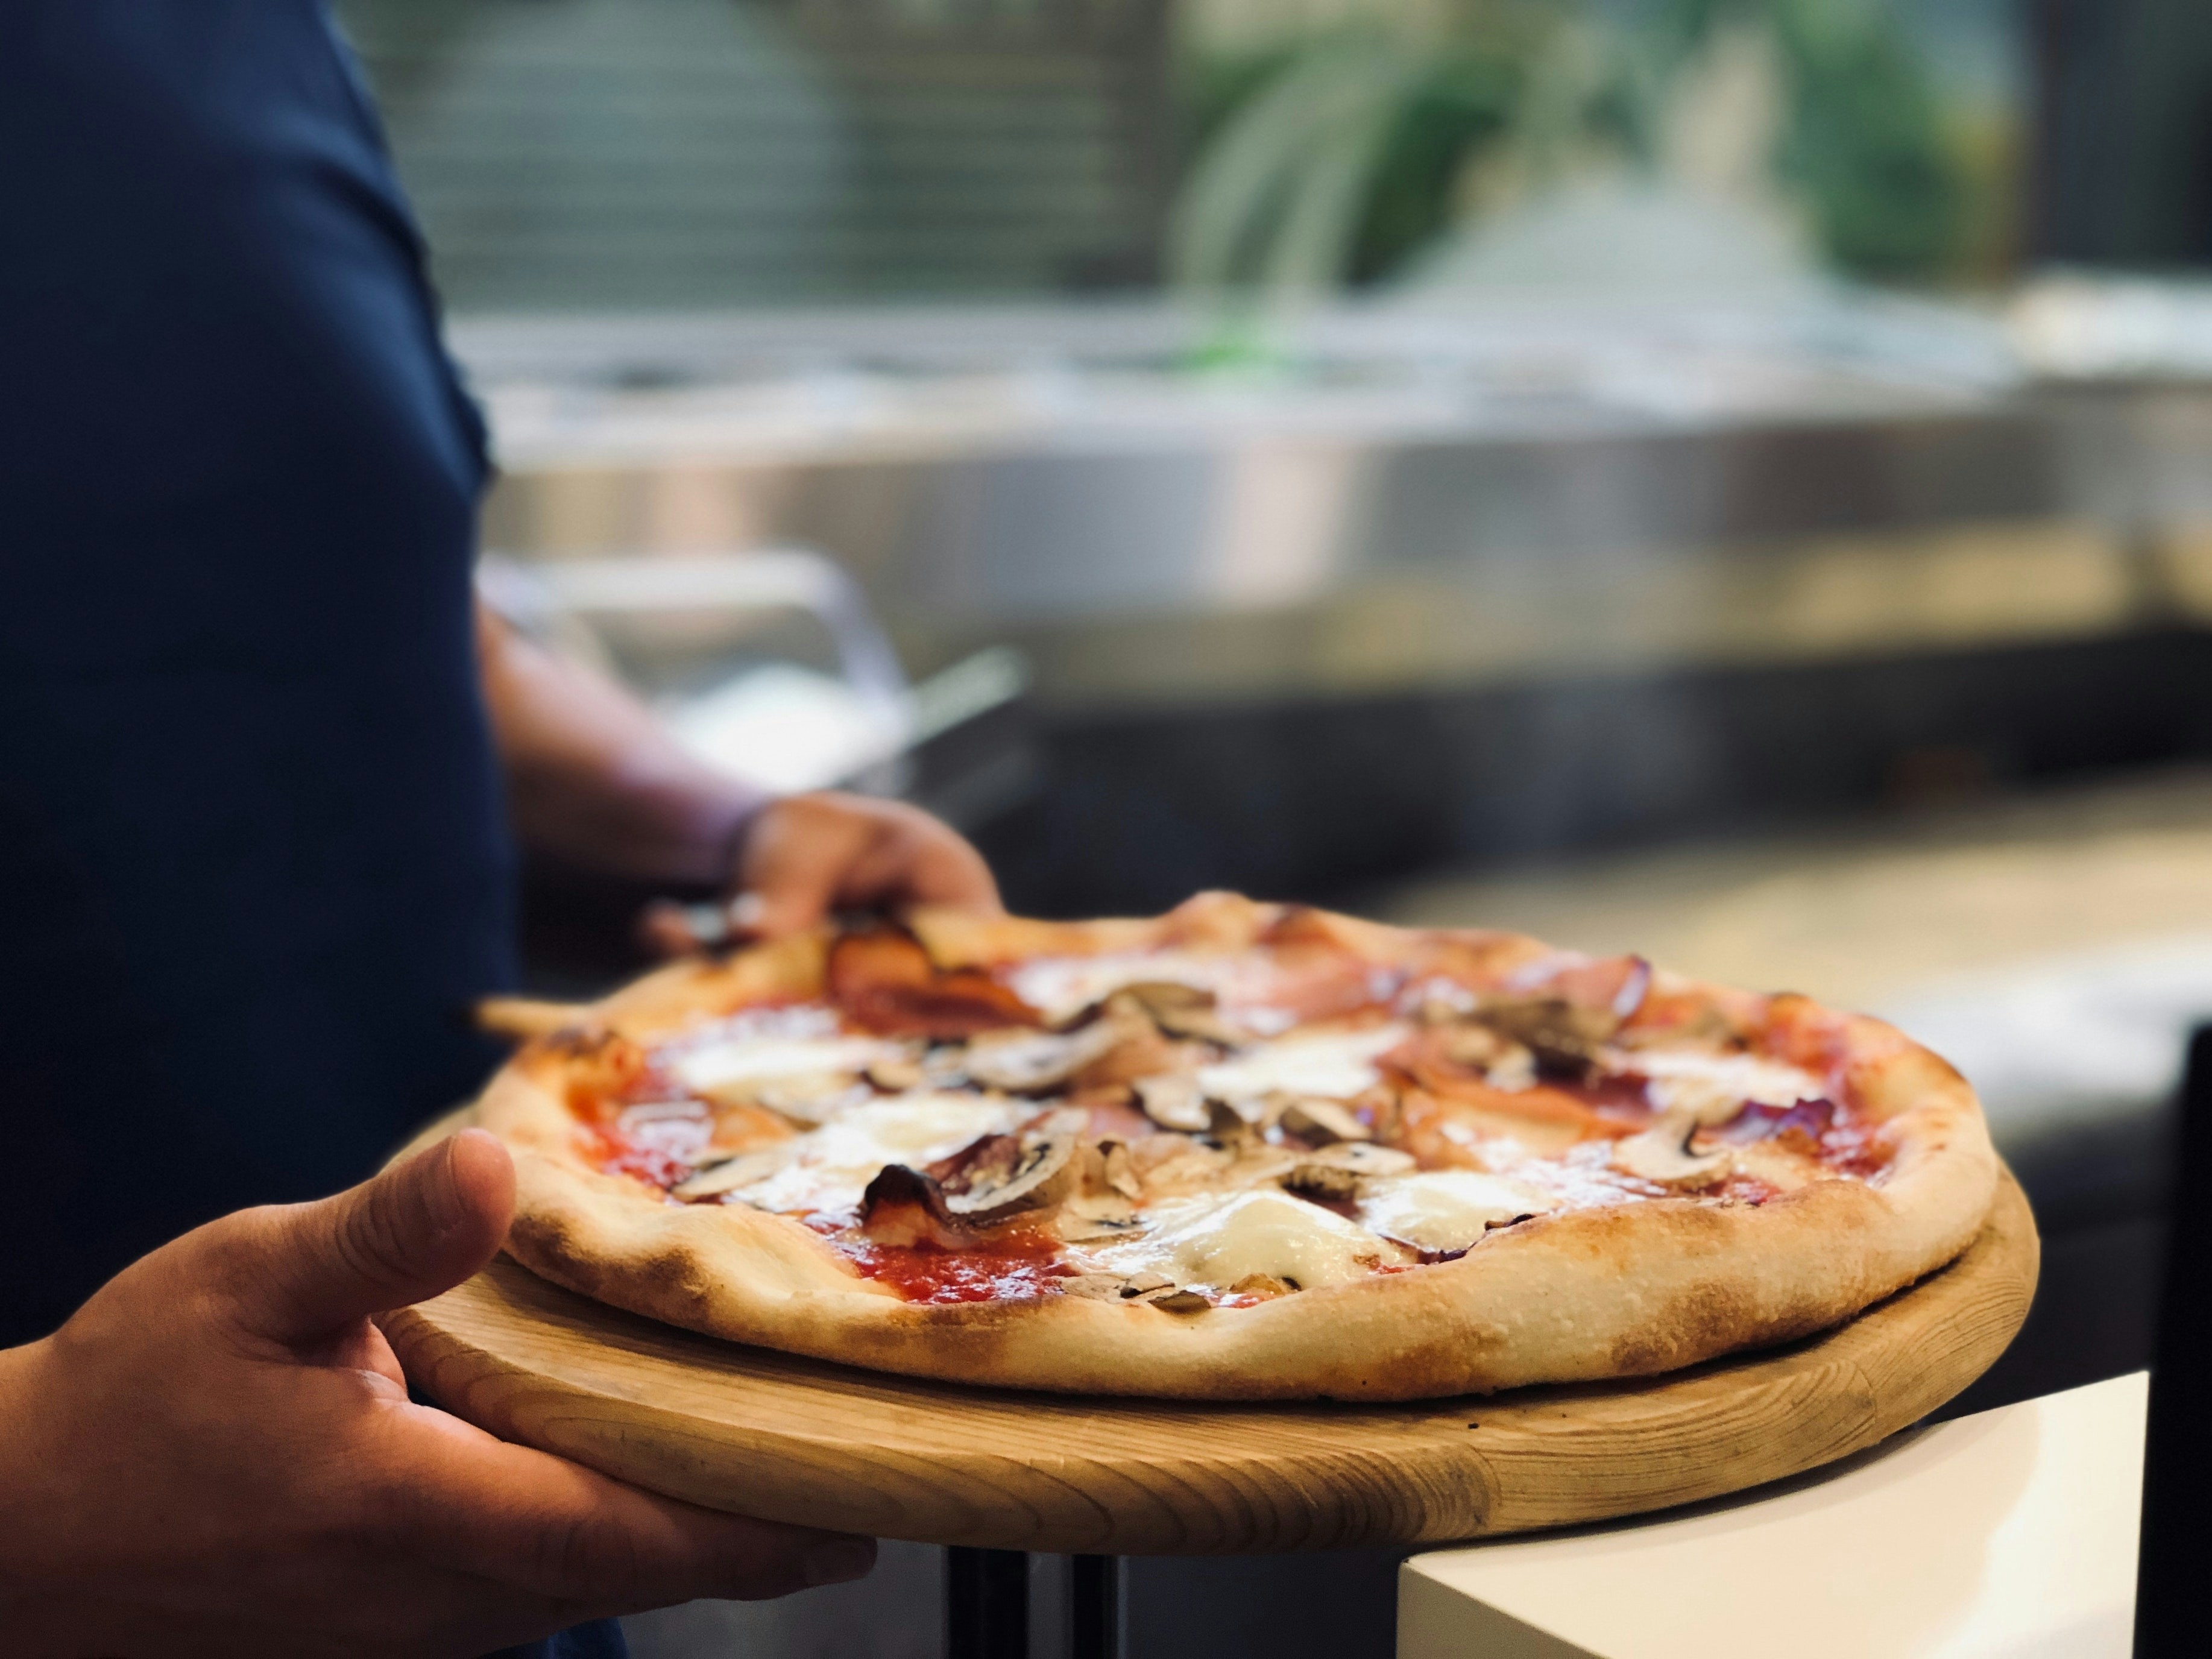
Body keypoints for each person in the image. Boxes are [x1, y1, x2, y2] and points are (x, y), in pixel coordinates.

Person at [0, 1, 999, 1651]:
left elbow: (364, 609)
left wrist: (721, 830)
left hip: (461, 1525)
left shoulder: (244, 34)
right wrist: (33, 1504)